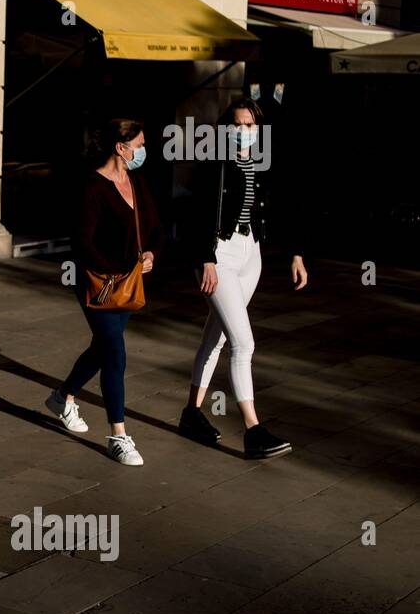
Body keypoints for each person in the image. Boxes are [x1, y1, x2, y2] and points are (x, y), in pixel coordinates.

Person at [177, 98, 307, 459]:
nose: (242, 131)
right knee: (243, 343)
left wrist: (295, 253)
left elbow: (285, 205)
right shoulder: (213, 161)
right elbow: (197, 212)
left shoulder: (264, 161)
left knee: (216, 338)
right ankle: (253, 430)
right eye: (236, 124)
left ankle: (191, 414)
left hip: (251, 253)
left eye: (249, 125)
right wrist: (205, 259)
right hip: (219, 253)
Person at [46, 119, 164, 466]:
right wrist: (116, 269)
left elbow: (155, 228)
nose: (143, 152)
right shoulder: (92, 187)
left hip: (127, 285)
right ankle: (118, 434)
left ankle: (63, 397)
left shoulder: (138, 182)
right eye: (139, 145)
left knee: (102, 348)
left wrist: (151, 254)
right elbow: (82, 242)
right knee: (115, 352)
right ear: (120, 147)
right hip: (97, 282)